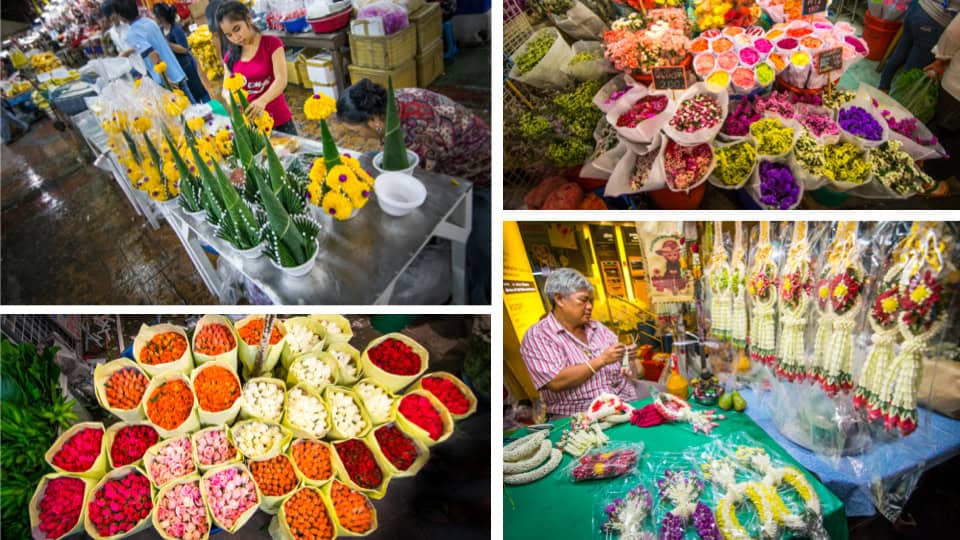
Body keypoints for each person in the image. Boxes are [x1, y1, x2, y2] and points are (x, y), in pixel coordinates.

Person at [519, 268, 639, 418]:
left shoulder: (598, 328)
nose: (589, 307)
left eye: (591, 301)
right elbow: (556, 381)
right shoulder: (539, 336)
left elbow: (634, 372)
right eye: (583, 300)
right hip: (581, 413)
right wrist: (601, 360)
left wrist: (629, 358)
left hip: (623, 398)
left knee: (665, 398)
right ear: (559, 299)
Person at [336, 79, 491, 184]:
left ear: (373, 121)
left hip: (474, 168)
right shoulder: (388, 101)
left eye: (356, 131)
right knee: (370, 158)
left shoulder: (417, 135)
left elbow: (417, 180)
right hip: (458, 144)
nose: (358, 136)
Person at [216, 0, 296, 134]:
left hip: (278, 118)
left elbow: (281, 80)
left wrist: (262, 101)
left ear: (248, 18)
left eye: (237, 29)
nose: (235, 38)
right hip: (252, 123)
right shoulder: (230, 57)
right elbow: (225, 89)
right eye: (229, 35)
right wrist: (233, 101)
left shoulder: (271, 44)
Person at [107, 0, 196, 103]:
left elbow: (152, 54)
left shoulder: (133, 33)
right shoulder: (149, 21)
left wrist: (166, 79)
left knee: (185, 113)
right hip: (176, 70)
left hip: (167, 79)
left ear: (121, 15)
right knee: (193, 108)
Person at [879, 0, 960, 92]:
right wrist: (941, 60)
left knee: (899, 54)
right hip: (935, 19)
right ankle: (893, 100)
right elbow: (954, 32)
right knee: (911, 71)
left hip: (918, 7)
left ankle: (882, 88)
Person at [923, 14, 960, 194]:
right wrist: (941, 59)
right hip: (957, 90)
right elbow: (954, 33)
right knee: (946, 133)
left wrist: (942, 58)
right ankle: (929, 177)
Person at [152, 2, 211, 103]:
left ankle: (209, 106)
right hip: (175, 66)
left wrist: (167, 43)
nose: (154, 19)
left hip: (186, 64)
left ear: (160, 17)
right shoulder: (161, 30)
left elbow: (184, 48)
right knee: (188, 93)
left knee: (197, 89)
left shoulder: (176, 29)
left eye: (155, 16)